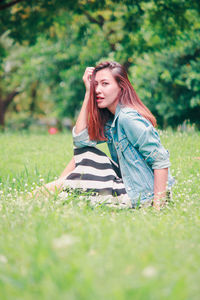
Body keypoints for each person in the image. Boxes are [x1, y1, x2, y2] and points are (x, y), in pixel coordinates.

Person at [43, 61, 174, 210]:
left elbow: (160, 161)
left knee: (69, 192)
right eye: (95, 85)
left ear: (121, 87)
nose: (97, 90)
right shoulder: (112, 120)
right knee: (84, 154)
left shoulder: (127, 118)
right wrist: (87, 93)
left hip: (142, 195)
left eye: (105, 84)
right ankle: (56, 189)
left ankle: (42, 194)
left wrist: (158, 208)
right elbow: (80, 141)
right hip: (130, 186)